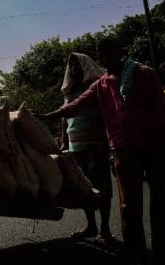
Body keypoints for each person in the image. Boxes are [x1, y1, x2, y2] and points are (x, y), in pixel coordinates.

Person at [44, 37, 165, 264]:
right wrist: (47, 116)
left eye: (109, 52)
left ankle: (162, 250)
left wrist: (164, 141)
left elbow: (161, 108)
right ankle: (135, 249)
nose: (105, 58)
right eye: (101, 54)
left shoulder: (143, 73)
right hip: (123, 148)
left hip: (153, 145)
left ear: (120, 51)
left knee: (160, 198)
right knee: (129, 203)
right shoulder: (101, 84)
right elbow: (76, 106)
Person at [59, 53, 113, 242]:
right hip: (76, 146)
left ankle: (105, 228)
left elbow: (106, 115)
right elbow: (65, 117)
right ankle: (91, 226)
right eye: (71, 65)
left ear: (85, 66)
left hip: (95, 144)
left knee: (103, 187)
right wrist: (63, 140)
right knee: (85, 188)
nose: (73, 68)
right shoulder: (69, 91)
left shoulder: (96, 88)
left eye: (77, 64)